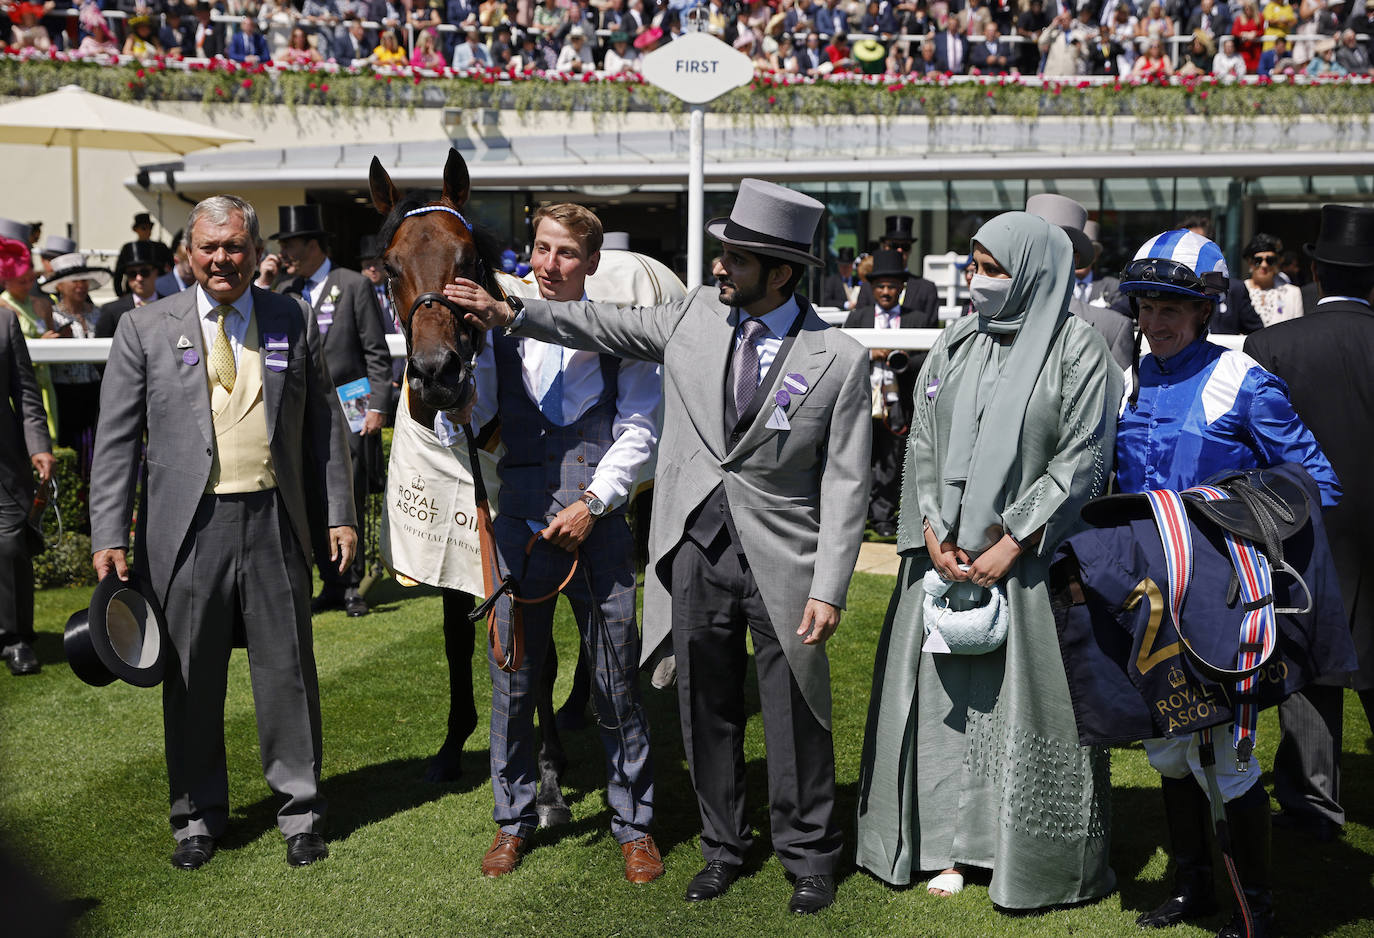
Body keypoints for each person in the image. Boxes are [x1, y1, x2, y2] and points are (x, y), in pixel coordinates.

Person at [446, 178, 871, 915]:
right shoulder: (695, 315)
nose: (718, 268)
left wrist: (831, 585)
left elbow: (847, 484)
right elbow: (601, 324)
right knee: (703, 706)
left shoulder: (838, 357)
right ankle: (722, 848)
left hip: (786, 558)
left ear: (779, 272)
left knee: (793, 711)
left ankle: (808, 857)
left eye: (734, 259)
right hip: (695, 550)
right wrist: (511, 312)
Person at [855, 211, 1120, 910]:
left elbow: (1084, 456)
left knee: (1024, 710)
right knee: (943, 707)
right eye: (974, 267)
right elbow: (923, 441)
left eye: (992, 270)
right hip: (944, 566)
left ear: (1033, 273)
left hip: (1031, 570)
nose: (977, 282)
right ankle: (943, 844)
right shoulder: (957, 342)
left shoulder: (1078, 351)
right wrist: (934, 531)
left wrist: (1013, 539)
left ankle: (1024, 855)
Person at [89, 195, 356, 872]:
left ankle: (299, 812)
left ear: (253, 249)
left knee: (288, 674)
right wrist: (107, 533)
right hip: (186, 531)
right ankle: (196, 819)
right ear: (187, 253)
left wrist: (340, 511)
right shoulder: (145, 328)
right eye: (208, 248)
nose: (221, 260)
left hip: (274, 521)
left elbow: (323, 425)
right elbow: (115, 444)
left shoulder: (288, 316)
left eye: (234, 247)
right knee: (190, 679)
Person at [1114, 228, 1339, 938]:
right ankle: (1193, 889)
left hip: (1219, 601)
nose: (1155, 323)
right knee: (1170, 750)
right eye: (1146, 306)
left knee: (1230, 760)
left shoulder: (1244, 380)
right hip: (1148, 599)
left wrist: (1225, 508)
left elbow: (1316, 484)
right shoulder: (1134, 374)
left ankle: (1255, 909)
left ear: (1208, 307)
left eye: (1172, 308)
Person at [457, 203, 664, 884]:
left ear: (592, 263)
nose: (549, 265)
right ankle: (510, 821)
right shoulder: (495, 334)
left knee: (614, 682)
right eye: (541, 249)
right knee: (514, 684)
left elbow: (639, 429)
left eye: (566, 253)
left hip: (597, 530)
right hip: (519, 528)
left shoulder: (620, 334)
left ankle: (634, 824)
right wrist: (447, 395)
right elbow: (479, 420)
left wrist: (594, 503)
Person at [1244, 205, 1374, 845]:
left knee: (1310, 660)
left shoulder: (1271, 345)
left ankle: (1310, 802)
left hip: (1304, 526)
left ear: (1314, 272)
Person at [265, 205, 391, 618]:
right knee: (311, 495)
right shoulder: (283, 290)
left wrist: (375, 407)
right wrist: (265, 282)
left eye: (291, 245)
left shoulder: (352, 284)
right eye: (282, 246)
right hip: (300, 406)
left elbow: (376, 351)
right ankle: (330, 580)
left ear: (314, 244)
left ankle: (352, 582)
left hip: (351, 396)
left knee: (349, 490)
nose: (285, 253)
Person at [844, 249, 937, 538]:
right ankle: (855, 517)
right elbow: (843, 353)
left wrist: (901, 356)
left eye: (892, 286)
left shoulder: (918, 319)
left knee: (892, 458)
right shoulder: (858, 316)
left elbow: (930, 360)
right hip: (862, 397)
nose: (886, 292)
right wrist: (872, 353)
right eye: (881, 286)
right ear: (872, 288)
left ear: (901, 288)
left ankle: (883, 515)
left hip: (898, 400)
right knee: (857, 458)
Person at [0, 229, 55, 678]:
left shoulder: (5, 322)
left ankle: (17, 637)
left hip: (5, 462)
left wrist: (39, 447)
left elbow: (26, 393)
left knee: (10, 544)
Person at [1027, 194, 1136, 371]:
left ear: (1074, 258)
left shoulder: (1112, 327)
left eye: (1047, 246)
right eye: (1026, 246)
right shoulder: (981, 323)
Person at [40, 253, 110, 482]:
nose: (81, 286)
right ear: (60, 285)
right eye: (75, 281)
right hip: (65, 392)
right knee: (69, 447)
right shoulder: (51, 316)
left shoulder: (98, 314)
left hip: (96, 390)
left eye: (84, 281)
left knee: (96, 448)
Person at [856, 215, 940, 316]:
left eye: (905, 246)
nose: (899, 250)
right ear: (884, 247)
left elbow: (930, 327)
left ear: (910, 250)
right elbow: (860, 322)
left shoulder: (926, 289)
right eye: (894, 246)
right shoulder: (868, 287)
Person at [97, 241, 167, 340]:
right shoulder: (111, 311)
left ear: (156, 272)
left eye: (144, 272)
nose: (139, 278)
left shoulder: (172, 306)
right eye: (132, 274)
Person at [1244, 233, 1304, 327]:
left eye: (1270, 260)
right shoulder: (1238, 292)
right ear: (1249, 262)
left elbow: (1297, 331)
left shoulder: (1293, 293)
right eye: (1258, 260)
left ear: (1276, 262)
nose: (1264, 265)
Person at [114, 213, 174, 299]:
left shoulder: (160, 247)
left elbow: (171, 267)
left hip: (159, 290)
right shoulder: (128, 249)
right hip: (134, 292)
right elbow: (118, 273)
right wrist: (120, 294)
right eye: (144, 228)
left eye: (149, 228)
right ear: (136, 230)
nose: (147, 231)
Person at [156, 232, 194, 297]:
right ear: (176, 260)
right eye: (188, 261)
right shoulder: (159, 286)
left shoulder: (203, 284)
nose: (194, 265)